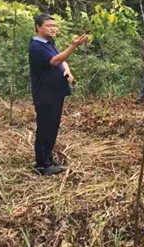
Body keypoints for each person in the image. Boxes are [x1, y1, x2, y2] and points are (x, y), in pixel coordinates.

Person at [29, 13, 88, 175]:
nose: (53, 28)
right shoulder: (37, 46)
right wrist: (73, 46)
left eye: (55, 26)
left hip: (55, 92)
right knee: (45, 127)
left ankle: (48, 159)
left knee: (52, 126)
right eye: (49, 26)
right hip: (45, 94)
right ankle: (42, 165)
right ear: (38, 27)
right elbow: (54, 61)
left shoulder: (49, 43)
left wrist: (67, 70)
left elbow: (61, 60)